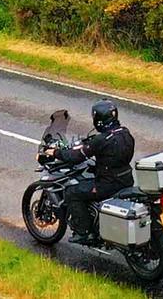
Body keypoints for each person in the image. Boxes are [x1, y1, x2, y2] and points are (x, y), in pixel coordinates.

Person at [46, 99, 135, 245]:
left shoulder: (101, 140)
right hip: (126, 179)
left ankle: (83, 232)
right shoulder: (126, 133)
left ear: (99, 119)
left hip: (107, 185)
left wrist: (55, 152)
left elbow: (76, 156)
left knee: (72, 192)